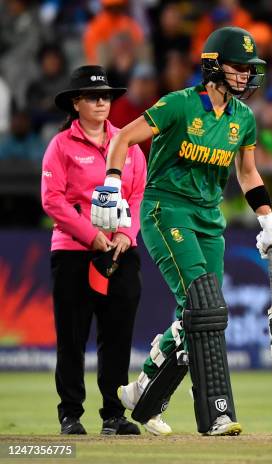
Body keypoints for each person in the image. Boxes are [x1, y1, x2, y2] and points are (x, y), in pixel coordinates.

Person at [90, 26, 272, 436]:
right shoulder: (179, 105)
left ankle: (143, 390)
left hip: (209, 218)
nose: (246, 76)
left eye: (250, 69)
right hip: (167, 209)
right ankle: (216, 414)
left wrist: (267, 216)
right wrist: (111, 183)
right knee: (206, 306)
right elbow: (125, 137)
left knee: (200, 314)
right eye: (239, 68)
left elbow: (247, 172)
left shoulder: (243, 119)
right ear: (214, 66)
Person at [41, 65, 146, 435]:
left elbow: (137, 195)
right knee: (72, 336)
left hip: (119, 251)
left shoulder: (127, 143)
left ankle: (113, 415)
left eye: (106, 96)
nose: (102, 102)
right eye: (93, 96)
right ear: (76, 103)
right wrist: (91, 235)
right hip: (73, 251)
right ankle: (70, 414)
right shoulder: (60, 146)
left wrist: (124, 234)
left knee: (117, 336)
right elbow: (52, 201)